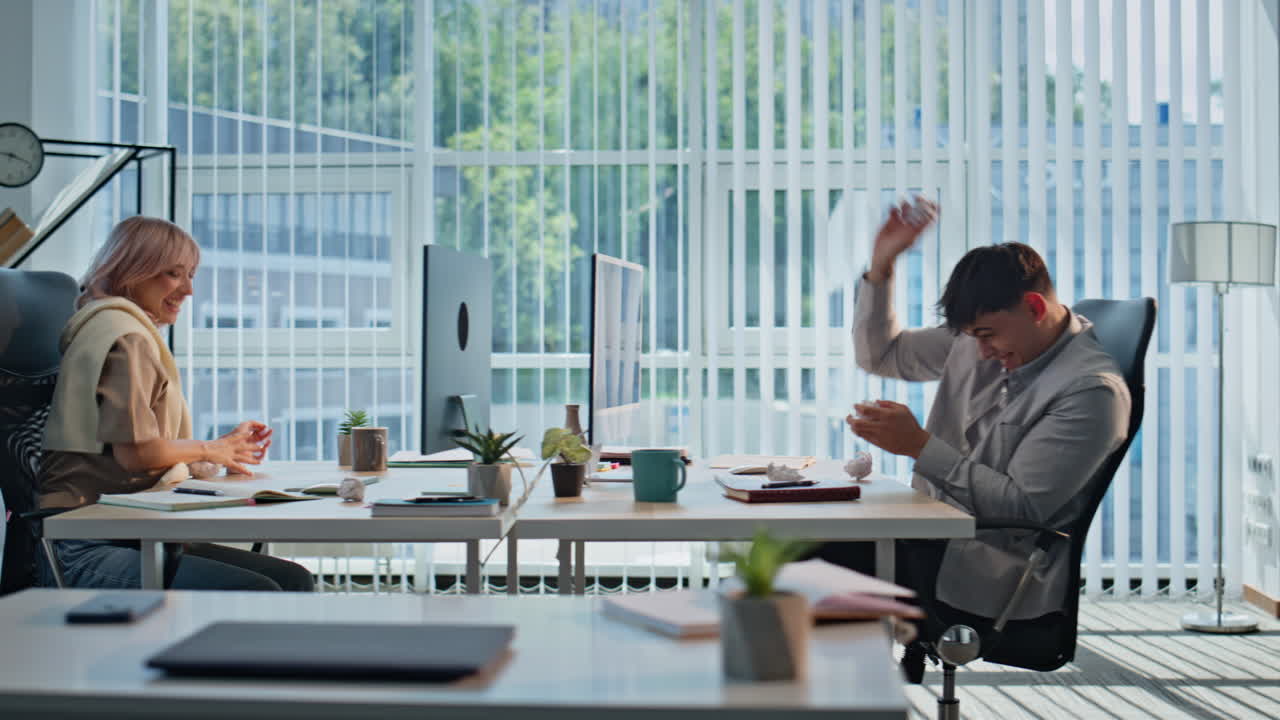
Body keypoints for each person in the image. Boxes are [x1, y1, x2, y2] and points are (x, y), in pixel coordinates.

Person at [817, 198, 1130, 676]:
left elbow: (1023, 511)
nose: (980, 352)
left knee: (811, 555)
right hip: (933, 533)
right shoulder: (981, 340)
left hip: (989, 567)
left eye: (988, 336)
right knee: (804, 530)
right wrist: (881, 266)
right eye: (971, 336)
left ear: (1034, 306)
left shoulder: (1090, 392)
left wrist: (920, 447)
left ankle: (829, 699)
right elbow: (881, 355)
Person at [38, 216, 314, 592]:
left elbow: (128, 455)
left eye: (191, 275)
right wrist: (212, 449)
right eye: (173, 274)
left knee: (292, 579)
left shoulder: (117, 328)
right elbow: (136, 454)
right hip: (87, 541)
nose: (188, 290)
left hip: (127, 527)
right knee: (261, 591)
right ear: (133, 272)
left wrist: (217, 453)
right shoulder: (125, 339)